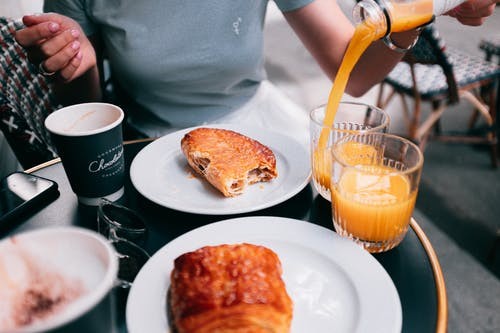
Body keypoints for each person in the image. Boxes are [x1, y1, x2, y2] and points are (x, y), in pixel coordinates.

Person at [14, 0, 498, 142]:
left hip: (255, 122)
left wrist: (416, 13)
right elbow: (84, 106)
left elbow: (351, 71)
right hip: (144, 140)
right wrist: (71, 61)